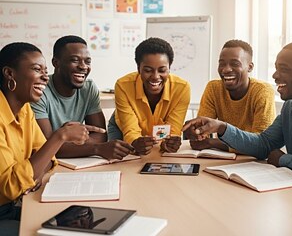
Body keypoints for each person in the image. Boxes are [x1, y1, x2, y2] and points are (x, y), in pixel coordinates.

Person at [0, 42, 102, 235]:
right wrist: (60, 136)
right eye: (37, 69)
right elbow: (12, 186)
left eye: (45, 70)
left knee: (77, 222)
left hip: (15, 204)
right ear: (9, 74)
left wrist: (33, 168)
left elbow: (47, 159)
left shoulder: (24, 110)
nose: (45, 77)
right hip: (5, 211)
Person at [183, 39, 292, 182]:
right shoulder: (290, 107)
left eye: (284, 69)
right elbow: (264, 144)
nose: (275, 75)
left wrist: (284, 159)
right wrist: (221, 127)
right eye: (276, 68)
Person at [31, 35, 133, 159]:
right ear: (56, 63)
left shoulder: (88, 88)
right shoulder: (39, 91)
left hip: (76, 163)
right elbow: (46, 146)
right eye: (75, 60)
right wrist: (96, 148)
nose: (83, 66)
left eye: (87, 61)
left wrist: (62, 143)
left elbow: (101, 136)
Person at [185, 39, 275, 152]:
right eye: (221, 64)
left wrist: (211, 143)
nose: (226, 69)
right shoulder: (213, 88)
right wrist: (196, 133)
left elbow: (260, 144)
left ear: (250, 67)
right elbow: (203, 132)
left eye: (235, 64)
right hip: (225, 159)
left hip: (253, 162)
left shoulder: (262, 91)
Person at [108, 37, 191, 155]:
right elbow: (130, 130)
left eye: (162, 70)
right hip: (121, 127)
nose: (155, 76)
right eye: (148, 70)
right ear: (138, 68)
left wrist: (169, 142)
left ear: (169, 69)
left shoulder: (182, 88)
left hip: (157, 133)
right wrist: (134, 142)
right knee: (121, 160)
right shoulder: (123, 86)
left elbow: (173, 129)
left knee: (164, 156)